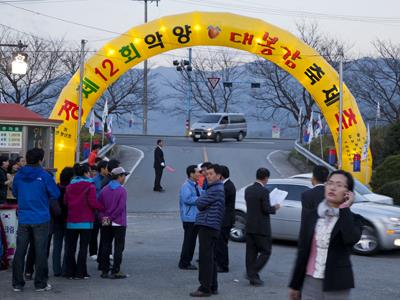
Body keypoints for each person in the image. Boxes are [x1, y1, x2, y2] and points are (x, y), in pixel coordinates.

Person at [289, 170, 364, 300]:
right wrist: (295, 285)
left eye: (339, 185)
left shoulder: (354, 219)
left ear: (348, 193)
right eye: (330, 183)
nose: (333, 187)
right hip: (310, 280)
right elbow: (302, 251)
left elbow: (350, 238)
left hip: (337, 283)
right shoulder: (312, 216)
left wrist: (345, 208)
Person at [12, 148, 60, 292]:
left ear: (27, 159)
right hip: (41, 218)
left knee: (20, 251)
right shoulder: (45, 175)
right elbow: (55, 193)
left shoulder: (19, 175)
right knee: (40, 251)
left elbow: (15, 192)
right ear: (40, 160)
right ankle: (40, 284)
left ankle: (17, 284)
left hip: (23, 218)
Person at [64, 163, 104, 280]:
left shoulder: (69, 186)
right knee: (83, 247)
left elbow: (65, 201)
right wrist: (102, 207)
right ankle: (81, 272)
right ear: (86, 173)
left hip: (71, 220)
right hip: (86, 221)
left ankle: (70, 271)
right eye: (89, 171)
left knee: (70, 247)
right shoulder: (90, 186)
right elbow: (92, 203)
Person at [190, 164, 225, 297]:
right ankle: (213, 286)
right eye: (207, 174)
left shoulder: (215, 189)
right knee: (211, 258)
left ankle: (204, 288)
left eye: (211, 174)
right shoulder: (217, 188)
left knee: (205, 258)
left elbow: (199, 203)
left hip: (207, 225)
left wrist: (202, 199)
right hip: (212, 225)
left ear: (218, 176)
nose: (208, 176)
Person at [245, 167, 280, 286]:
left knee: (251, 252)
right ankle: (252, 272)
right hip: (261, 227)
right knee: (266, 251)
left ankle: (253, 277)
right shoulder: (264, 191)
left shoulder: (248, 189)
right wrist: (275, 207)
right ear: (266, 178)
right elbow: (266, 209)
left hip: (249, 225)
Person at [98, 167, 129, 279]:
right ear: (119, 176)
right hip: (118, 221)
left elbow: (99, 206)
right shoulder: (122, 190)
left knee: (106, 244)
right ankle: (116, 270)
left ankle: (105, 270)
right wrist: (112, 217)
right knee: (119, 246)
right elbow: (120, 208)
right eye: (124, 175)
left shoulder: (104, 189)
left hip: (106, 219)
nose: (124, 178)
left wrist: (104, 218)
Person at [51, 167, 74, 277]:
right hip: (69, 219)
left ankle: (56, 270)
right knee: (68, 245)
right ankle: (65, 268)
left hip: (56, 220)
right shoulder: (71, 189)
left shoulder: (56, 188)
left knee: (57, 245)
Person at [178, 165, 201, 270]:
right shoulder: (186, 186)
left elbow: (202, 193)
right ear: (191, 174)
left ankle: (187, 261)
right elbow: (187, 199)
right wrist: (200, 198)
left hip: (195, 217)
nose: (199, 174)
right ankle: (184, 262)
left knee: (192, 241)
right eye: (197, 172)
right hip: (189, 218)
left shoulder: (196, 185)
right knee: (189, 241)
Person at [215, 165, 236, 273]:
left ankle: (223, 265)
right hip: (225, 218)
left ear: (221, 176)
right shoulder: (227, 184)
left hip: (225, 219)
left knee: (222, 243)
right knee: (221, 242)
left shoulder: (226, 187)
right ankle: (220, 263)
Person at [90, 160, 109, 260]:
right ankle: (93, 251)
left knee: (105, 231)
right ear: (102, 169)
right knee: (94, 231)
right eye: (107, 168)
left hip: (105, 212)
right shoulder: (94, 180)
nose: (108, 170)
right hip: (96, 211)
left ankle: (105, 251)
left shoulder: (109, 180)